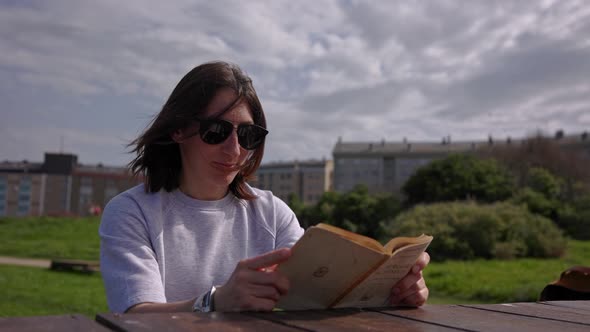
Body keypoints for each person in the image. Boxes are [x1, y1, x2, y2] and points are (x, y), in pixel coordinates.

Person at [99, 61, 430, 313]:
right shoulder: (132, 212)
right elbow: (138, 317)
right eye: (216, 131)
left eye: (248, 135)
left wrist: (392, 293)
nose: (235, 150)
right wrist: (215, 302)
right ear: (177, 130)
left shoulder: (272, 213)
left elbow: (321, 301)